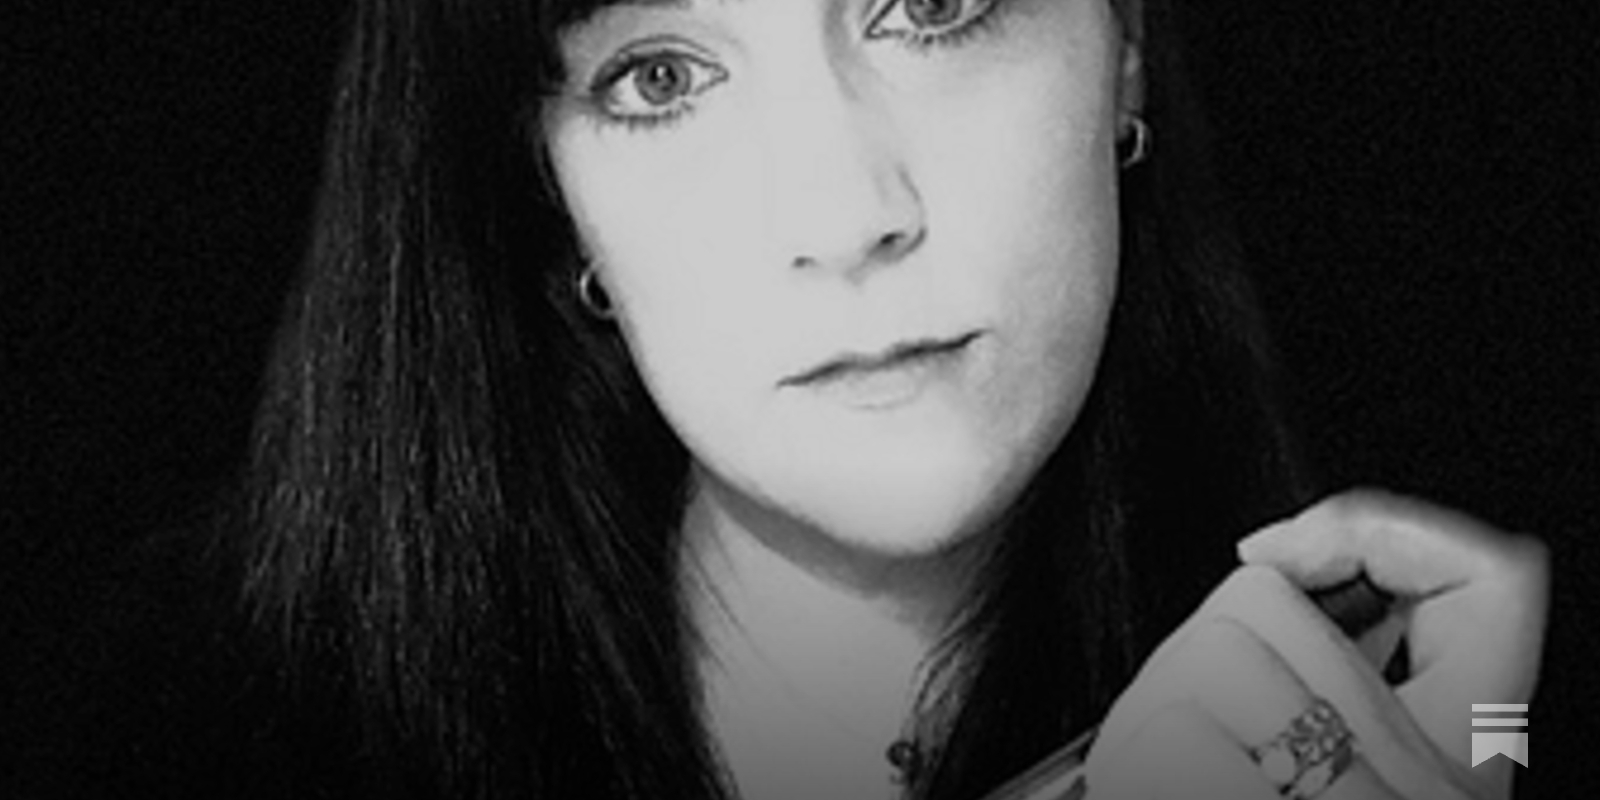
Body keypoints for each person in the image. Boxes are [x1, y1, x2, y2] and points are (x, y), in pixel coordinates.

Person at [49, 0, 1543, 799]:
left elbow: (1502, 753)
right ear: (557, 204)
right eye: (659, 78)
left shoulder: (1428, 658)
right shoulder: (183, 731)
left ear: (1126, 50)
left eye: (933, 8)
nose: (845, 212)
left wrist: (1491, 763)